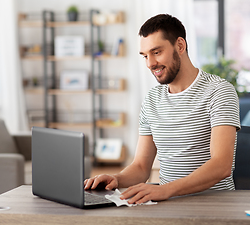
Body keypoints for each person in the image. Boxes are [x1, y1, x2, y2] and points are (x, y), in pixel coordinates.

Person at [84, 14, 241, 204]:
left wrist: (165, 190)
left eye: (156, 52)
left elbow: (222, 165)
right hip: (170, 205)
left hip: (214, 206)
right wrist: (117, 179)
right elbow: (141, 166)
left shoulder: (219, 91)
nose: (150, 63)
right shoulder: (152, 99)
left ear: (180, 46)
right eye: (145, 56)